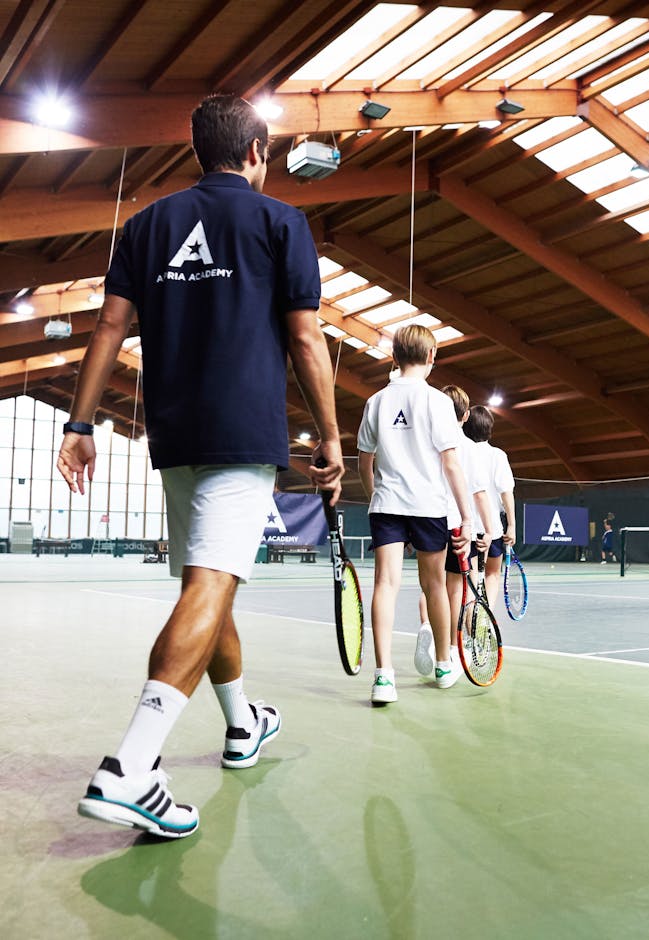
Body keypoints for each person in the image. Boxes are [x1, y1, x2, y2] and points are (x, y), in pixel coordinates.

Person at [56, 94, 344, 839]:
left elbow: (109, 326)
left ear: (199, 152)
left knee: (205, 587)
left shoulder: (146, 225)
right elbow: (307, 341)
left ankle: (242, 724)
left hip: (174, 434)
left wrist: (81, 423)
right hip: (242, 432)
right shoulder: (281, 221)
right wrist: (331, 436)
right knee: (211, 585)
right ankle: (132, 766)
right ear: (254, 153)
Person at [357, 325, 473, 705]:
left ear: (394, 357)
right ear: (431, 357)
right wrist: (468, 519)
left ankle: (383, 679)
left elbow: (364, 461)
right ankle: (443, 666)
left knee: (385, 586)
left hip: (387, 506)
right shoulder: (438, 403)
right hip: (428, 507)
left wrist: (377, 497)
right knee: (435, 585)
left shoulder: (375, 401)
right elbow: (452, 465)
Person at [414, 385, 492, 678]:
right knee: (454, 589)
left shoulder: (427, 444)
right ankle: (446, 649)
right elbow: (481, 493)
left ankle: (426, 627)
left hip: (429, 519)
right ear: (466, 415)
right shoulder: (470, 449)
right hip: (460, 524)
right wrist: (489, 530)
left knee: (429, 585)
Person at [464, 405, 516, 610]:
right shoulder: (497, 456)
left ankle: (472, 622)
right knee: (493, 574)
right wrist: (511, 525)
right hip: (492, 528)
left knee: (469, 578)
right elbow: (506, 492)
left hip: (465, 528)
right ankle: (486, 620)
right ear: (489, 428)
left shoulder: (460, 453)